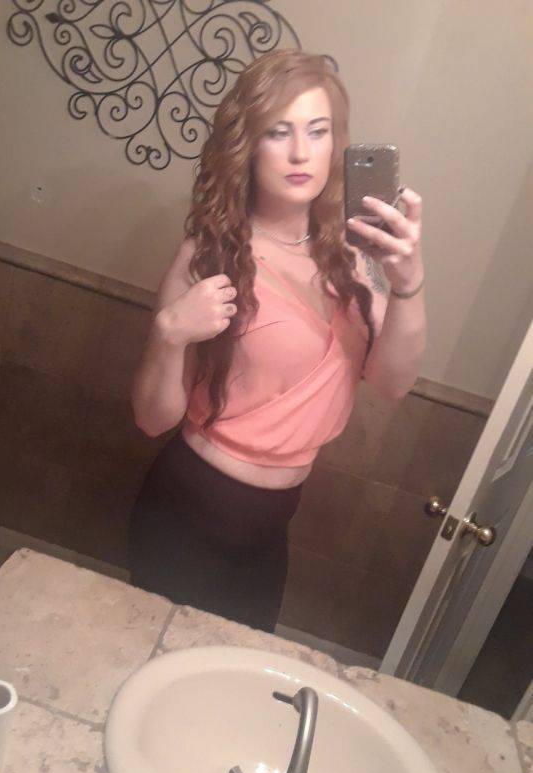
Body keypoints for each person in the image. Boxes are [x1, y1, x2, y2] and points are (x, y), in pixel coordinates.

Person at [128, 49, 426, 633]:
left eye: (317, 131)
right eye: (278, 132)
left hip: (272, 525)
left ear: (336, 144)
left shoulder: (356, 260)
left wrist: (409, 282)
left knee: (237, 676)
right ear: (247, 145)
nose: (299, 153)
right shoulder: (210, 255)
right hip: (186, 512)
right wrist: (168, 335)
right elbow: (150, 419)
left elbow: (393, 384)